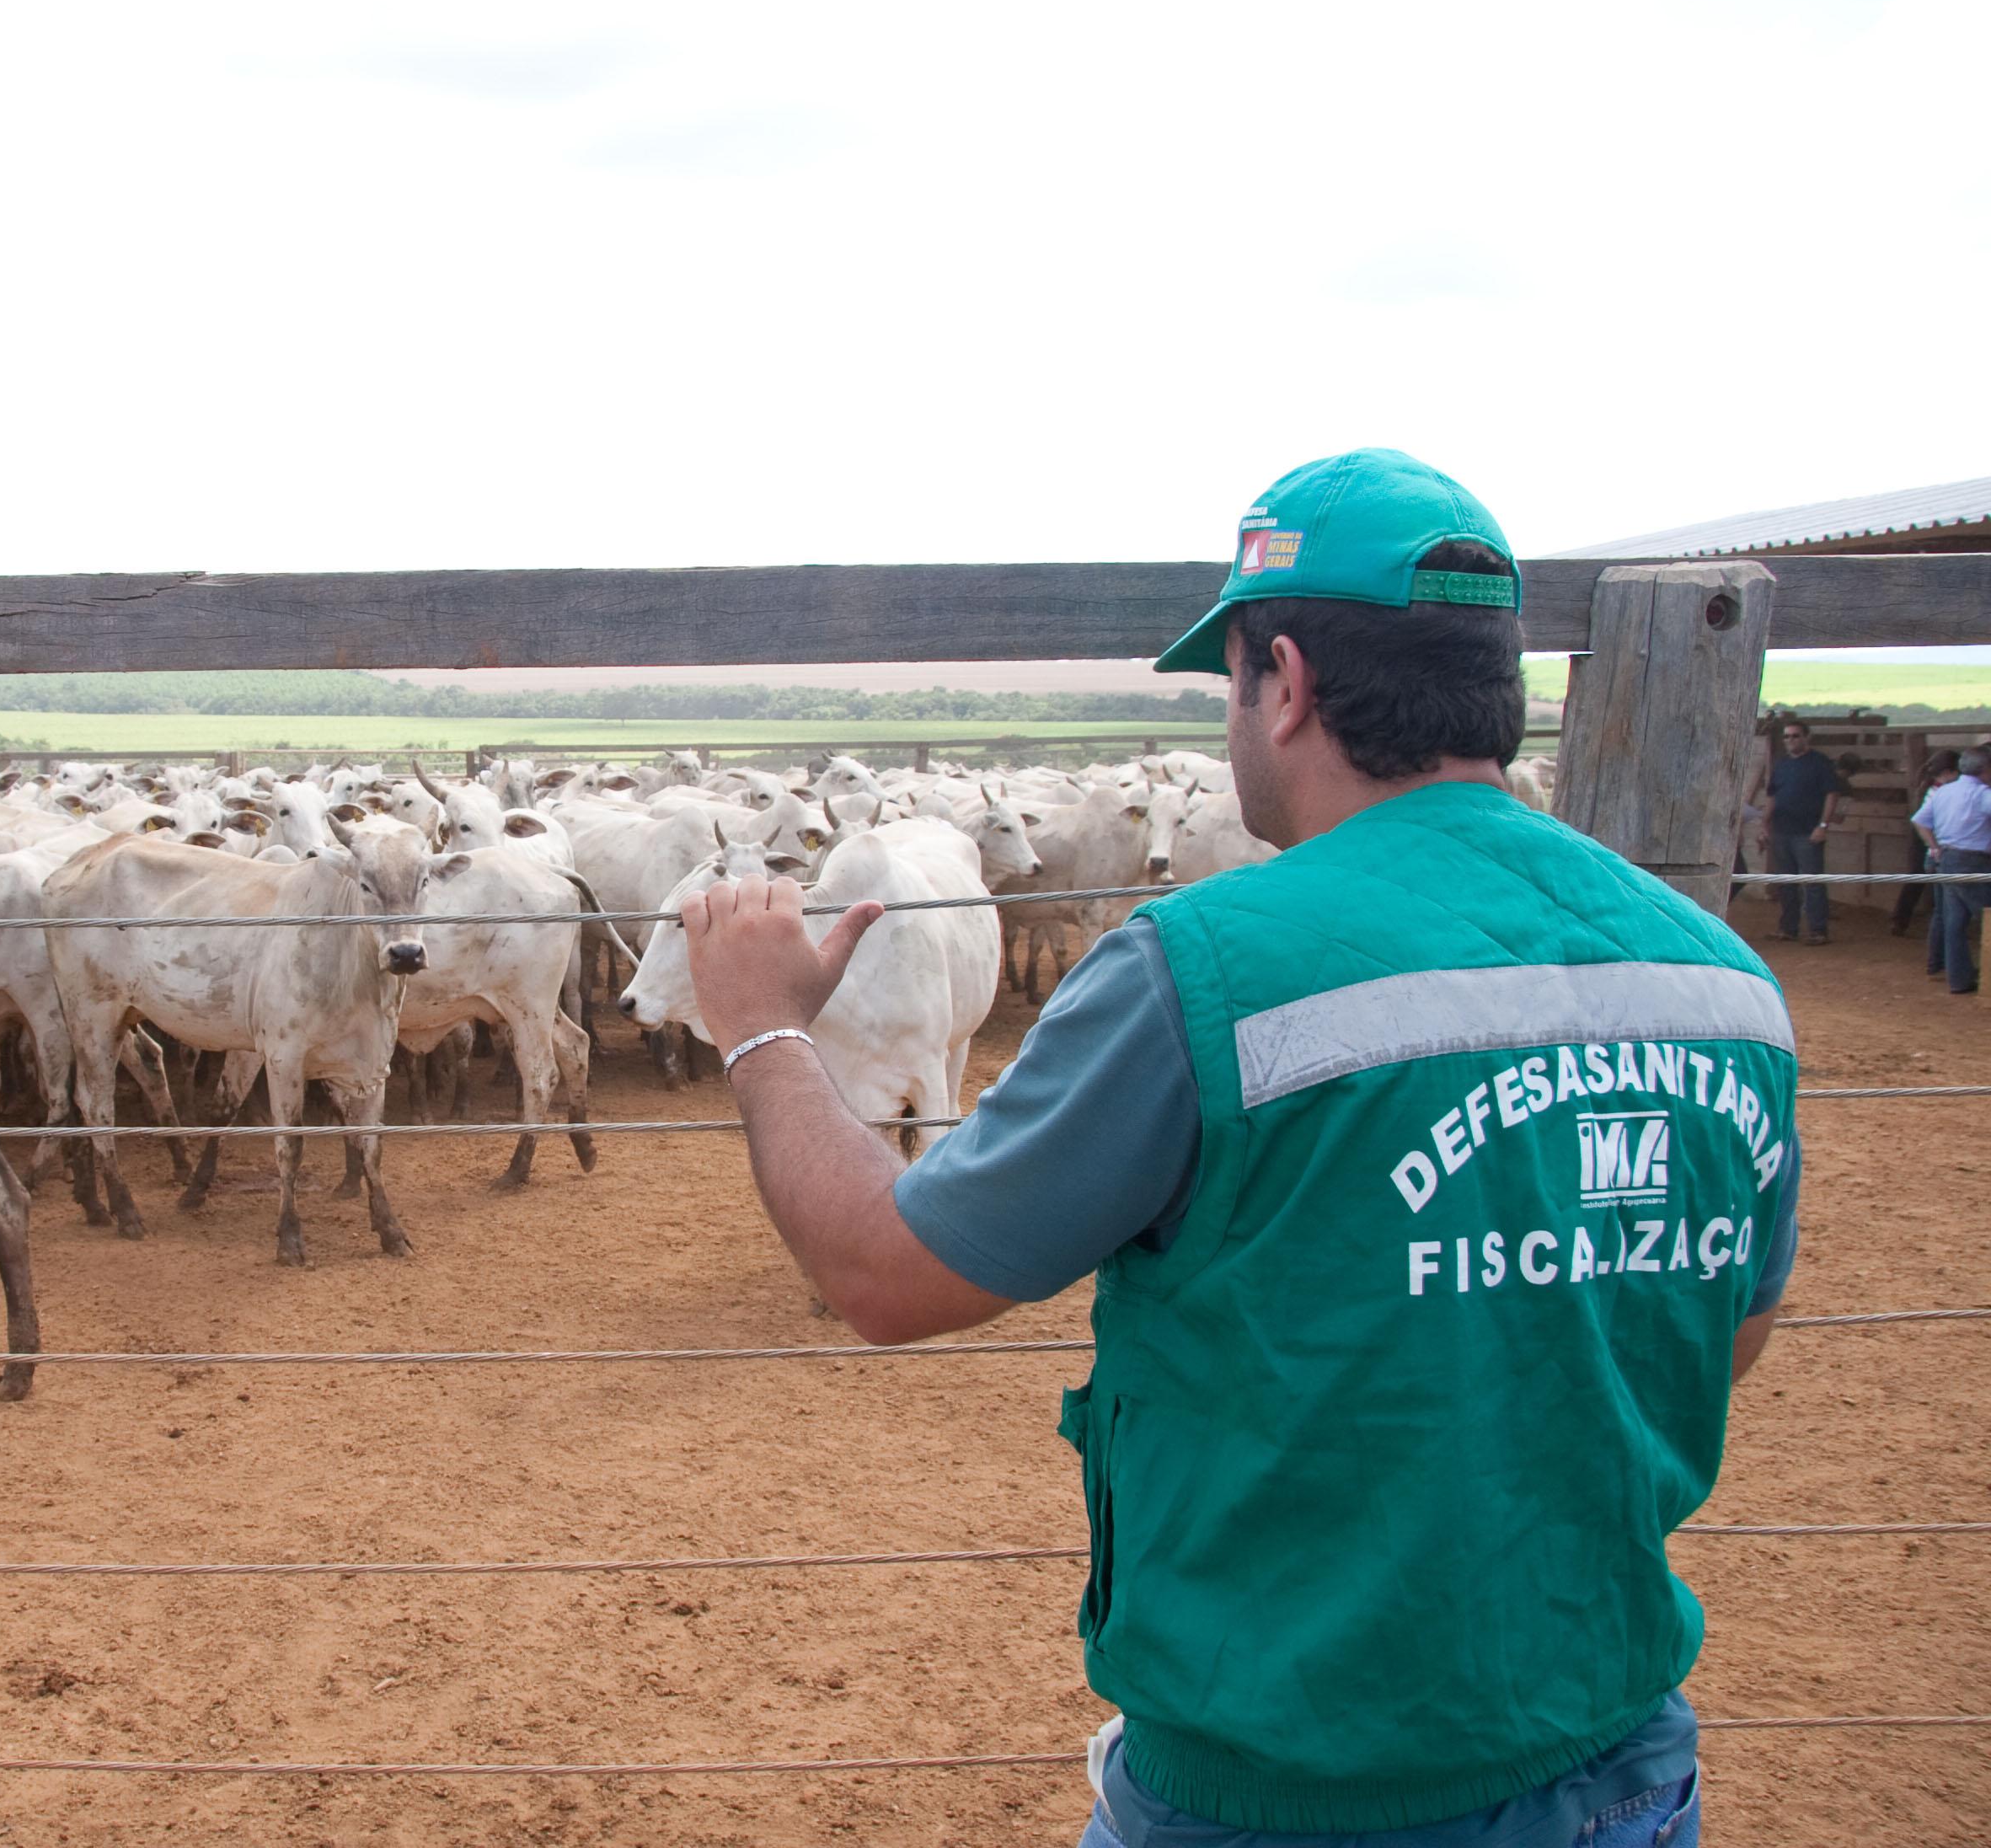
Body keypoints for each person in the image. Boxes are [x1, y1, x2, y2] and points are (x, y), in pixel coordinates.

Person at [680, 447, 1795, 1848]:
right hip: (1617, 1769)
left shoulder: (1201, 973)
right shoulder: (1718, 981)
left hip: (1281, 1792)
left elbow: (881, 1274)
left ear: (1283, 683)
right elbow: (1722, 1337)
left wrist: (760, 1031)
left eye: (1227, 680)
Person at [1909, 748, 1991, 996]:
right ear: (1985, 770)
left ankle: (1959, 979)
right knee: (1987, 917)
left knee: (1954, 921)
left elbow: (1920, 820)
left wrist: (1934, 847)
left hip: (1946, 858)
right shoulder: (1982, 794)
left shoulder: (1944, 791)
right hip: (1973, 861)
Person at [1758, 721, 1846, 945]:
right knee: (1786, 881)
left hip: (1807, 832)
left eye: (1795, 736)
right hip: (1782, 830)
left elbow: (1832, 794)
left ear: (1807, 737)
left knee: (1812, 881)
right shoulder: (1782, 765)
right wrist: (1764, 825)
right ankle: (1788, 928)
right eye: (1787, 737)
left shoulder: (1820, 763)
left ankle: (1818, 930)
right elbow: (1772, 797)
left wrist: (1823, 825)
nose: (1790, 741)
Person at [1892, 751, 1962, 936]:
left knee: (1918, 878)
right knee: (1925, 880)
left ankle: (1901, 919)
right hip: (1933, 837)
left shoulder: (1930, 786)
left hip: (1925, 836)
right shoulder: (1941, 790)